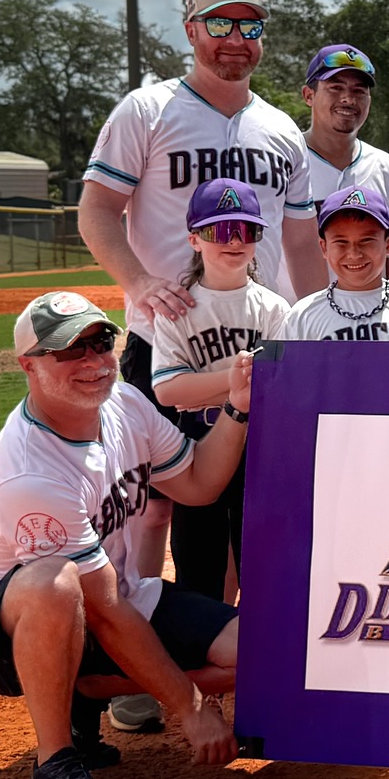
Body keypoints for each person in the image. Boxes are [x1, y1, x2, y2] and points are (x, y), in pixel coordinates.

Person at [78, 0, 326, 730]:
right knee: (156, 511)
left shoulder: (281, 130)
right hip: (169, 344)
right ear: (190, 30)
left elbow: (300, 243)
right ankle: (143, 670)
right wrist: (139, 281)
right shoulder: (148, 109)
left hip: (262, 352)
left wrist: (323, 328)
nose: (235, 39)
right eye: (220, 23)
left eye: (250, 25)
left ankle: (257, 671)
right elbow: (97, 209)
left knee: (266, 513)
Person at [0, 292, 251, 779]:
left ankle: (82, 689)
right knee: (54, 582)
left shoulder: (126, 405)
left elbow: (199, 483)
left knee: (254, 654)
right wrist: (188, 707)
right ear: (28, 366)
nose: (92, 361)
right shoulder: (30, 471)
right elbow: (103, 608)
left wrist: (237, 406)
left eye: (101, 342)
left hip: (114, 597)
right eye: (69, 350)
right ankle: (55, 764)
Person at [151, 180, 291, 603]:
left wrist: (204, 388)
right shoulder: (179, 307)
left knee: (266, 567)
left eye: (247, 230)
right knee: (199, 569)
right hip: (199, 440)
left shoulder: (274, 307)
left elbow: (281, 388)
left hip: (261, 444)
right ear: (194, 239)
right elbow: (168, 391)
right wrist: (237, 380)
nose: (234, 241)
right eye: (220, 230)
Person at [281, 187, 389, 342]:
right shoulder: (302, 317)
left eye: (367, 241)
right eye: (341, 242)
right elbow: (284, 364)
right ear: (324, 248)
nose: (354, 254)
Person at [301, 44, 389, 206]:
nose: (348, 99)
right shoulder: (286, 160)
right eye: (336, 88)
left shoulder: (385, 167)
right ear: (309, 95)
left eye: (359, 91)